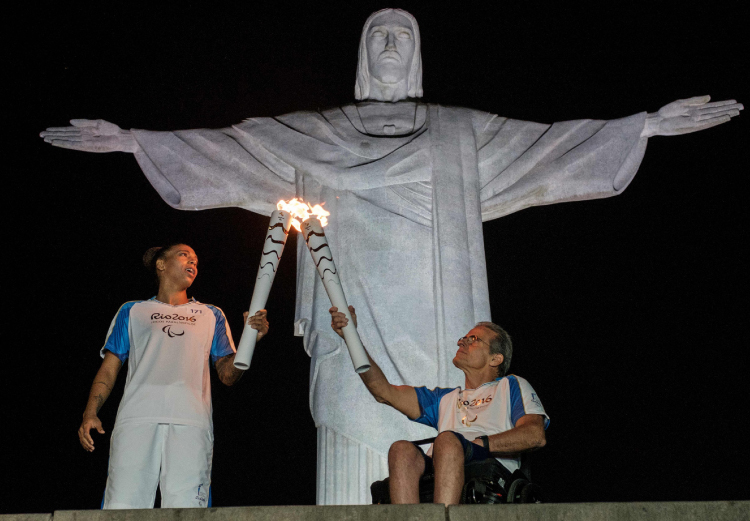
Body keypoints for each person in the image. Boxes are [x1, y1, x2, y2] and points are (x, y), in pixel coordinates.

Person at [42, 8, 741, 505]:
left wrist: (643, 125)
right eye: (375, 34)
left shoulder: (458, 133)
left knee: (439, 433)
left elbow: (551, 147)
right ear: (359, 55)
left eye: (400, 35)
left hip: (441, 318)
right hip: (351, 317)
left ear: (417, 54)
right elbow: (231, 149)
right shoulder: (316, 134)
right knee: (358, 428)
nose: (387, 44)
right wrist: (138, 141)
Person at [77, 243, 269, 509]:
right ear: (161, 264)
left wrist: (251, 341)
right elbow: (109, 368)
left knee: (187, 509)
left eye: (196, 260)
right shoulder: (132, 311)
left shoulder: (211, 314)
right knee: (122, 507)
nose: (193, 262)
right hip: (136, 418)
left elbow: (227, 375)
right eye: (184, 255)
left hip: (191, 421)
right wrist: (90, 412)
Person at [330, 305, 548, 505]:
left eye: (474, 339)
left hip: (488, 466)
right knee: (401, 450)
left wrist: (477, 444)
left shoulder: (510, 385)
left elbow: (534, 435)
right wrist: (351, 338)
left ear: (495, 359)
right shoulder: (444, 398)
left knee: (447, 440)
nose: (461, 342)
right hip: (444, 462)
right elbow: (383, 392)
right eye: (464, 337)